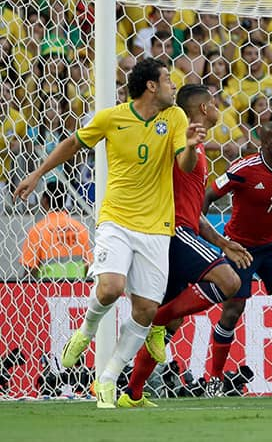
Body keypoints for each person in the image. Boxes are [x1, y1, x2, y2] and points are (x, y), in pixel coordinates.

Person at [13, 58, 205, 408]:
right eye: (167, 80)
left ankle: (108, 378)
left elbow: (184, 165)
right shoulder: (110, 118)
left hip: (156, 227)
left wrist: (191, 145)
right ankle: (85, 332)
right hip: (116, 218)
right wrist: (38, 173)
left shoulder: (175, 117)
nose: (173, 86)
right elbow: (73, 143)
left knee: (146, 310)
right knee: (112, 287)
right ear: (150, 86)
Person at [117, 84, 251, 407]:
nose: (220, 107)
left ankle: (132, 394)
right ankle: (156, 323)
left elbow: (196, 213)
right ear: (204, 109)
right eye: (216, 102)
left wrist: (223, 242)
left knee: (173, 321)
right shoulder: (181, 142)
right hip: (172, 231)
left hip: (183, 228)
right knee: (230, 281)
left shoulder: (198, 148)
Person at [203, 121, 272, 397]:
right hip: (240, 248)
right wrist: (205, 234)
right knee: (233, 310)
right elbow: (207, 196)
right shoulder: (243, 169)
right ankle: (214, 377)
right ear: (265, 144)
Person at [20, 181, 91, 280]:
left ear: (44, 200)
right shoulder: (79, 228)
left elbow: (30, 269)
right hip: (77, 289)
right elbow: (88, 264)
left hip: (48, 290)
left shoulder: (38, 230)